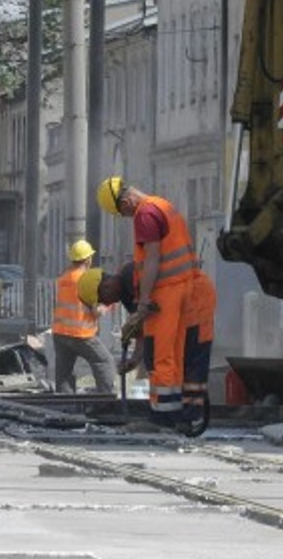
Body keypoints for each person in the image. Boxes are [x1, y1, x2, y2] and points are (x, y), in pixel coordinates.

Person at [96, 176, 198, 429]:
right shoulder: (162, 205)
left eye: (123, 212)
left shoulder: (145, 214)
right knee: (174, 355)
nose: (126, 217)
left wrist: (143, 301)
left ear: (127, 200)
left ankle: (161, 418)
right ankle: (175, 415)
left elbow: (152, 258)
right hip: (183, 287)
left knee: (161, 356)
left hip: (165, 291)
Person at [79, 261, 215, 428]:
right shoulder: (126, 292)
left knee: (189, 357)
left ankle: (187, 417)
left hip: (195, 299)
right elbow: (145, 329)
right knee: (159, 358)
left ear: (106, 285)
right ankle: (175, 416)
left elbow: (150, 313)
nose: (106, 305)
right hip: (178, 305)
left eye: (102, 299)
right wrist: (135, 359)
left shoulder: (131, 276)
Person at [51, 240, 116, 395]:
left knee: (64, 373)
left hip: (60, 333)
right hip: (80, 334)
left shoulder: (63, 279)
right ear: (88, 259)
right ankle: (105, 401)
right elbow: (96, 312)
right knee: (104, 361)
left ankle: (65, 407)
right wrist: (109, 303)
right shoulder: (86, 280)